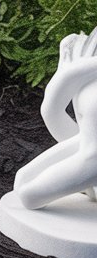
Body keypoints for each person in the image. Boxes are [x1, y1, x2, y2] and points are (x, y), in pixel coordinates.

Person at [14, 30, 97, 209]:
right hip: (87, 146)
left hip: (92, 156)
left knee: (28, 194)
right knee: (22, 179)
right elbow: (51, 112)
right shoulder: (81, 49)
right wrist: (67, 74)